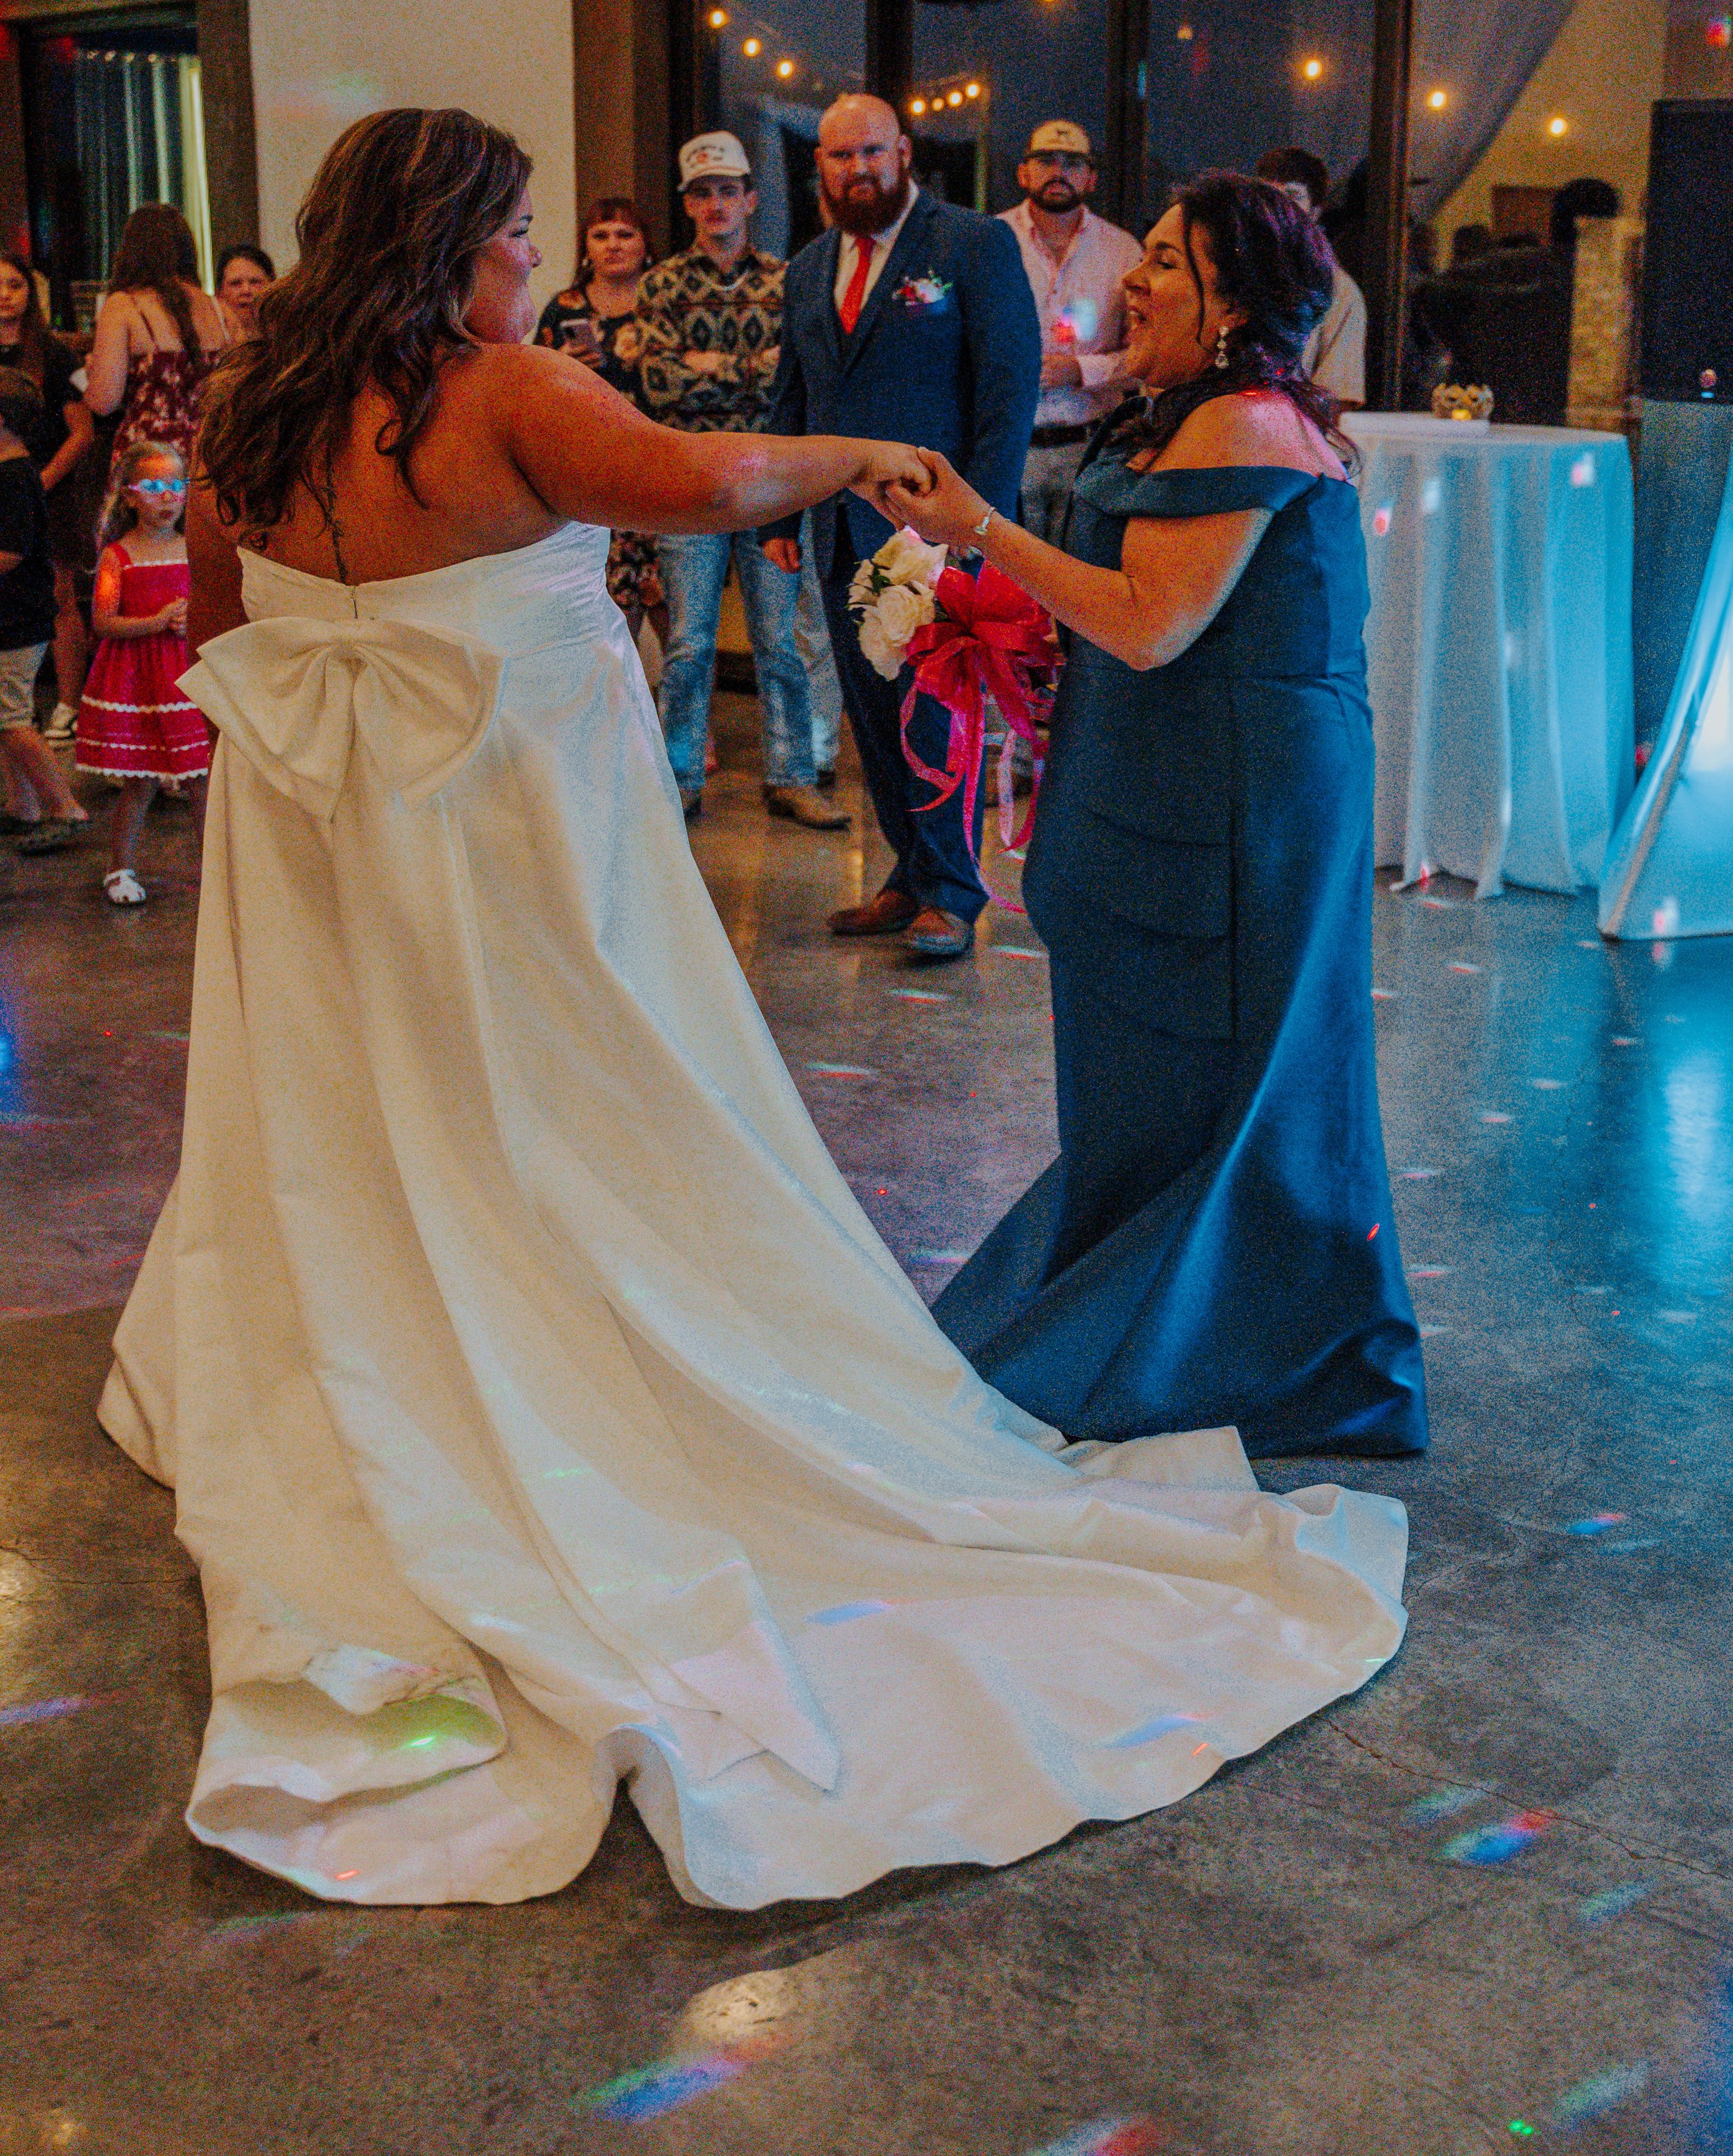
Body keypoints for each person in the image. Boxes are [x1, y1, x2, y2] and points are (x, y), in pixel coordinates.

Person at [94, 105, 1409, 1911]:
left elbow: (262, 623)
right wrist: (867, 446)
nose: (536, 264)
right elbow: (700, 483)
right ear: (462, 237)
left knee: (382, 1113)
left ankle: (405, 1342)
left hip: (334, 858)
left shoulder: (267, 407)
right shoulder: (496, 392)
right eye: (522, 231)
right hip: (506, 846)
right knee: (569, 1114)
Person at [885, 171, 1428, 1460]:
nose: (1137, 277)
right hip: (1177, 773)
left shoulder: (1246, 422)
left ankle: (1248, 1349)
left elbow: (1150, 619)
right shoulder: (1179, 411)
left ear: (1235, 304)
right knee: (1153, 1086)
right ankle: (1139, 1303)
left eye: (1171, 264)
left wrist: (979, 531)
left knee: (1236, 1077)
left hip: (1251, 802)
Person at [763, 94, 1041, 959]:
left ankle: (953, 893)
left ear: (905, 152)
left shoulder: (969, 244)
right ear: (821, 166)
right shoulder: (808, 268)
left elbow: (1008, 388)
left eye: (873, 153)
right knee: (872, 716)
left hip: (936, 528)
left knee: (936, 714)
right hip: (840, 533)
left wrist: (976, 522)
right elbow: (796, 393)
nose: (859, 171)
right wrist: (777, 508)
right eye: (841, 157)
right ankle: (907, 873)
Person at [636, 134, 842, 830]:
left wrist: (708, 366)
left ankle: (793, 776)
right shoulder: (661, 283)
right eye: (702, 192)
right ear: (688, 203)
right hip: (688, 483)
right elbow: (660, 385)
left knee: (780, 643)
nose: (716, 204)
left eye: (728, 190)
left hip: (770, 483)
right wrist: (751, 369)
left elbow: (796, 380)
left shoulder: (785, 280)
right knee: (690, 644)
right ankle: (680, 778)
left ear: (750, 198)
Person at [75, 439, 211, 905]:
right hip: (139, 681)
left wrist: (194, 617)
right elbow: (103, 620)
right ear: (131, 494)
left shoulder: (192, 548)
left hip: (186, 677)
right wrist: (155, 622)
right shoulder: (119, 555)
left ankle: (217, 871)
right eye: (154, 486)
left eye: (176, 485)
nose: (169, 496)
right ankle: (120, 867)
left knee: (200, 777)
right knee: (141, 780)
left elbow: (210, 603)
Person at [534, 195, 668, 647]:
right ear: (585, 247)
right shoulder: (564, 308)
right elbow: (536, 393)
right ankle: (622, 712)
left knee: (678, 614)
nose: (613, 244)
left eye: (625, 234)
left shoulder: (667, 301)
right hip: (593, 478)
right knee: (609, 611)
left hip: (662, 467)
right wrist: (564, 366)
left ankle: (681, 716)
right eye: (601, 235)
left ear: (646, 245)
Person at [1000, 121, 1141, 544]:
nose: (1058, 171)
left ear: (1092, 178)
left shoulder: (1124, 252)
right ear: (1024, 173)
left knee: (1080, 584)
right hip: (1010, 448)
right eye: (1045, 160)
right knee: (1008, 591)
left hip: (1090, 449)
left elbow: (1144, 357)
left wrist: (1080, 370)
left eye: (1073, 163)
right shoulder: (990, 240)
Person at [0, 252, 95, 744]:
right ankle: (15, 709)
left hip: (45, 487)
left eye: (15, 284)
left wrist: (41, 480)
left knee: (58, 597)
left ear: (29, 292)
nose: (5, 294)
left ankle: (67, 705)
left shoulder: (55, 353)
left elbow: (82, 431)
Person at [85, 204, 232, 491]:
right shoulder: (216, 308)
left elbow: (104, 402)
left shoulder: (123, 306)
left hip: (149, 463)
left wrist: (92, 374)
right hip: (209, 457)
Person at [0, 387, 89, 852]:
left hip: (16, 618)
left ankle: (64, 806)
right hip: (13, 618)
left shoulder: (14, 478)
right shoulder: (15, 473)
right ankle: (23, 806)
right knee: (10, 712)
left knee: (9, 719)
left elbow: (11, 553)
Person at [1257, 147, 1367, 410]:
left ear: (1315, 211)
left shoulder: (1338, 291)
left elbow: (1338, 399)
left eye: (1293, 197)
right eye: (1268, 196)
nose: (1278, 208)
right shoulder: (1225, 273)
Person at [215, 245, 276, 339]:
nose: (246, 290)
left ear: (273, 286)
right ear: (220, 292)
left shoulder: (289, 338)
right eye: (236, 283)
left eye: (255, 282)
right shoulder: (210, 342)